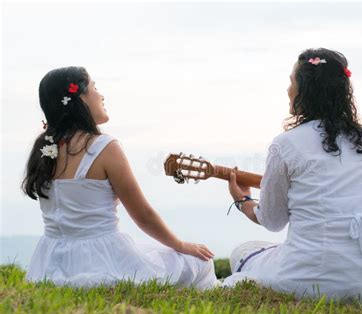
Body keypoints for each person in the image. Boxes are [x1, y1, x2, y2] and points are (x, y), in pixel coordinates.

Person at [224, 48, 362, 305]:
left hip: (306, 282)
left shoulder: (285, 145)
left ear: (304, 91)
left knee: (244, 251)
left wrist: (243, 201)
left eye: (291, 82)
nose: (287, 89)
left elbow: (273, 221)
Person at [22, 66, 218, 289]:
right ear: (80, 99)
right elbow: (142, 214)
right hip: (101, 261)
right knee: (200, 262)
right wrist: (180, 244)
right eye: (95, 88)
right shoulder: (104, 147)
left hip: (49, 263)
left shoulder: (44, 148)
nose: (101, 95)